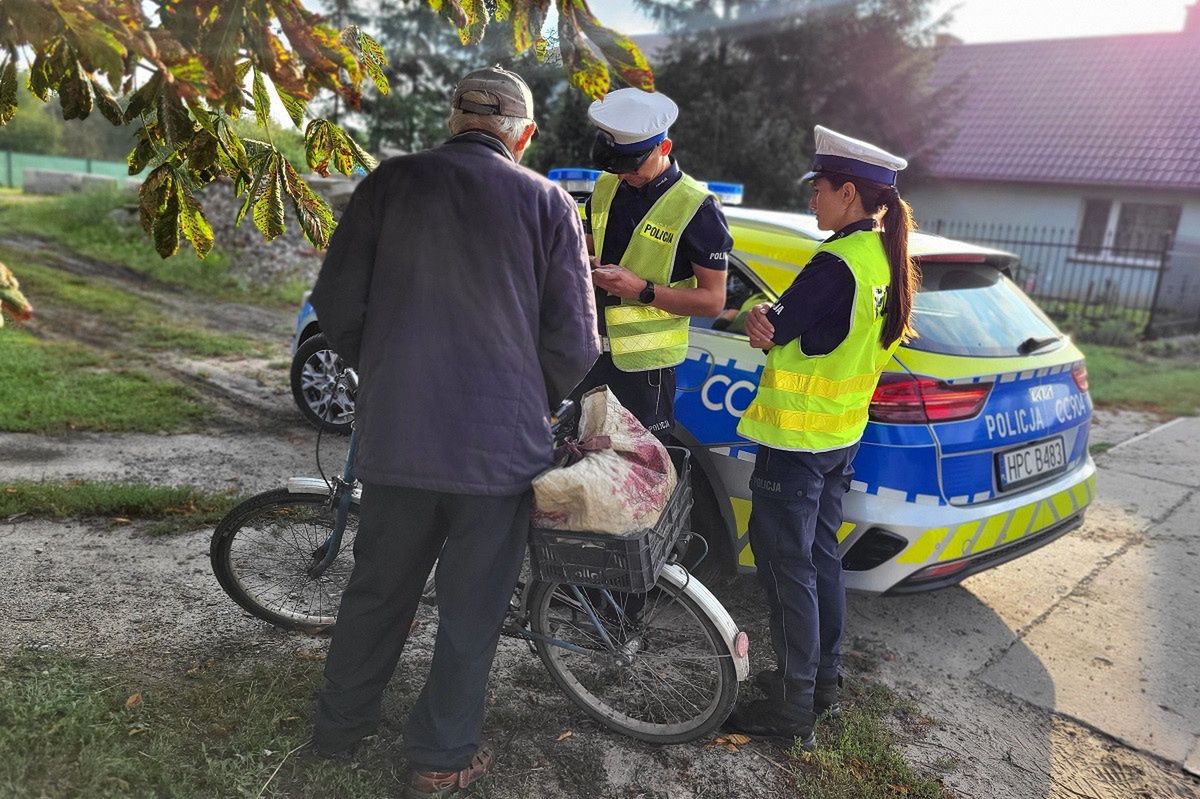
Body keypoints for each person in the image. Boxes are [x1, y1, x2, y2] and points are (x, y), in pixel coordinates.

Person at [306, 66, 600, 797]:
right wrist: (529, 396)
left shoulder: (388, 183)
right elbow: (575, 343)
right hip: (499, 456)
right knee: (471, 613)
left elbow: (335, 303)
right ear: (523, 135)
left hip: (399, 440)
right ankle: (439, 758)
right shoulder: (550, 204)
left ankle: (339, 730)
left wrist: (384, 371)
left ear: (453, 118)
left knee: (377, 591)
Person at [723, 125, 919, 747]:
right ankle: (821, 684)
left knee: (788, 571)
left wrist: (757, 316)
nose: (812, 200)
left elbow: (770, 329)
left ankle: (791, 707)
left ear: (848, 194)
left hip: (796, 444)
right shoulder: (883, 257)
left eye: (819, 189)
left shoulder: (834, 263)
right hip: (838, 439)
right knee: (820, 561)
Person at [572, 87, 732, 439]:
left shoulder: (698, 208)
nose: (623, 175)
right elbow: (602, 242)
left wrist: (641, 290)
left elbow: (713, 301)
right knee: (577, 468)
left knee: (639, 479)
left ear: (664, 148)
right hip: (586, 356)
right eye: (616, 167)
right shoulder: (607, 185)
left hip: (644, 374)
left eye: (632, 165)